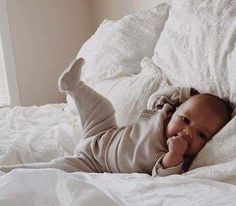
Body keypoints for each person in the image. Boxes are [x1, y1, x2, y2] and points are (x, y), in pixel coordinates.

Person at [0, 58, 232, 176]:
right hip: (103, 132)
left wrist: (175, 153)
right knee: (102, 108)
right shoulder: (163, 112)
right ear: (177, 110)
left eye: (201, 134)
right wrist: (187, 94)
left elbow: (164, 176)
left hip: (95, 164)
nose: (188, 132)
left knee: (55, 170)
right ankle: (74, 87)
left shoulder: (179, 159)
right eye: (185, 119)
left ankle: (10, 171)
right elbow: (161, 96)